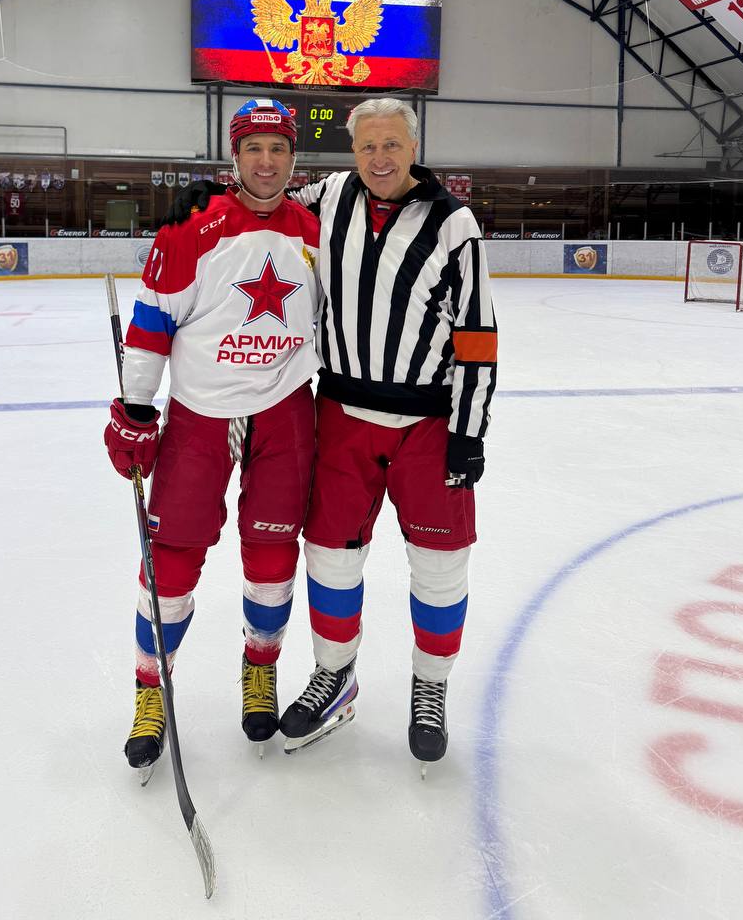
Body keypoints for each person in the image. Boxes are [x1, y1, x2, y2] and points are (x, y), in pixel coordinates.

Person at [167, 98, 497, 766]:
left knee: (440, 566)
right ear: (353, 153)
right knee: (330, 559)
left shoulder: (454, 223)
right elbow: (264, 201)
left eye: (391, 144)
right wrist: (211, 199)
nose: (379, 158)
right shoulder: (330, 196)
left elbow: (478, 335)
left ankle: (430, 687)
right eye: (367, 146)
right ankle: (335, 676)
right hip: (342, 415)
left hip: (430, 424)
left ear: (414, 146)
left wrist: (469, 431)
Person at [104, 99, 321, 775]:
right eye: (254, 148)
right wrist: (136, 411)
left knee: (273, 556)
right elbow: (151, 323)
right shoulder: (192, 228)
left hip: (285, 410)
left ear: (294, 157)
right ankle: (151, 690)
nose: (266, 161)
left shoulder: (315, 231)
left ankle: (260, 670)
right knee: (170, 560)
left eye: (278, 149)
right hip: (200, 416)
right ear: (235, 156)